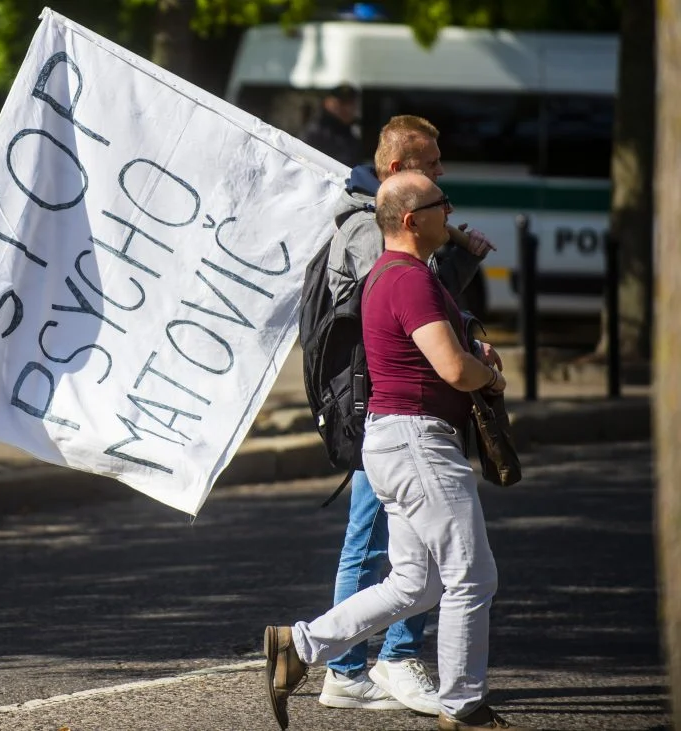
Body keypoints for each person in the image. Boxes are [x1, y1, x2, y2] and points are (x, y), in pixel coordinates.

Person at [265, 171, 530, 731]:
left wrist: (469, 344)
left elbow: (438, 345)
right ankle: (463, 707)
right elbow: (455, 370)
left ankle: (301, 644)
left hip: (396, 440)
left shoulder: (397, 274)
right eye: (442, 203)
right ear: (412, 219)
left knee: (416, 582)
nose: (450, 211)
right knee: (471, 576)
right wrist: (490, 375)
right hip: (417, 441)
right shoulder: (406, 278)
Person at [318, 115, 495, 716]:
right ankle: (353, 669)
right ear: (399, 175)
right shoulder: (373, 237)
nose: (443, 177)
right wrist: (482, 369)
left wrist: (459, 269)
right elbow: (410, 312)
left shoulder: (398, 236)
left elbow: (431, 302)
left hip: (398, 414)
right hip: (391, 412)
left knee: (413, 575)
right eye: (432, 169)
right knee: (381, 549)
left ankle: (318, 647)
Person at [301, 83, 362, 168]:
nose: (348, 108)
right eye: (342, 103)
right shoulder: (316, 132)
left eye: (351, 103)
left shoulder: (350, 132)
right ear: (328, 103)